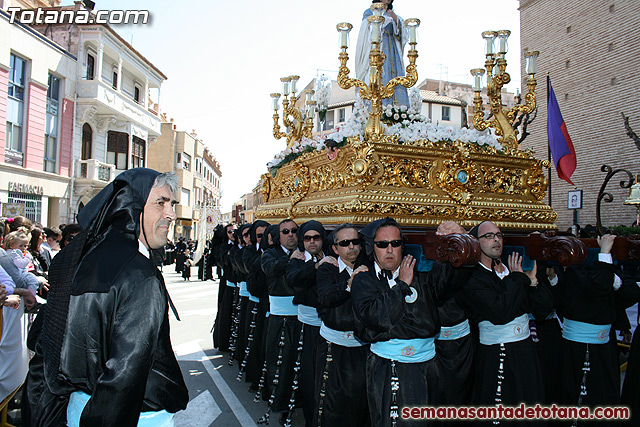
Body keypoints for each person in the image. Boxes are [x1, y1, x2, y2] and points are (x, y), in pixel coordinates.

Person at [26, 168, 188, 427]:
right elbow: (123, 377)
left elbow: (41, 349)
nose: (171, 214)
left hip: (75, 412)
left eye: (173, 204)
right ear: (130, 207)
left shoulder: (77, 259)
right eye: (160, 203)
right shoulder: (139, 275)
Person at [351, 217, 470, 427]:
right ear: (372, 247)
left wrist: (461, 239)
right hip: (389, 368)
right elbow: (376, 318)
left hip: (429, 367)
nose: (390, 249)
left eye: (395, 243)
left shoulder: (422, 274)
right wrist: (402, 285)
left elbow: (453, 279)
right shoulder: (364, 280)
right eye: (382, 244)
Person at [458, 221, 553, 426]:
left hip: (525, 350)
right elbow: (500, 312)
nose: (496, 240)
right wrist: (519, 280)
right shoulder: (471, 276)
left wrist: (535, 284)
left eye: (499, 235)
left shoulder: (513, 269)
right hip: (496, 353)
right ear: (476, 242)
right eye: (489, 236)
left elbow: (543, 310)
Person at [315, 223, 370, 427]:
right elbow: (326, 297)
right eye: (345, 243)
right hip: (334, 348)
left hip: (362, 348)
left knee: (361, 400)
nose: (352, 247)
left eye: (355, 242)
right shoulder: (328, 269)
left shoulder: (370, 267)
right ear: (336, 249)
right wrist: (349, 284)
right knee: (332, 402)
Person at [286, 220, 327, 426]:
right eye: (307, 238)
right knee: (309, 376)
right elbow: (295, 280)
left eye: (316, 237)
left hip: (330, 328)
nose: (312, 242)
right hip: (307, 327)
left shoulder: (333, 257)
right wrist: (316, 267)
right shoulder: (297, 259)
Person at [260, 219, 300, 424]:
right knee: (280, 362)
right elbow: (271, 269)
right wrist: (292, 259)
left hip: (302, 318)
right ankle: (280, 403)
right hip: (280, 317)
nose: (291, 234)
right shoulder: (270, 254)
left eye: (294, 230)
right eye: (286, 231)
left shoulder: (305, 252)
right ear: (279, 235)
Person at [355, 0, 409, 107]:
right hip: (377, 50)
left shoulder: (393, 14)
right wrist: (378, 22)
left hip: (393, 53)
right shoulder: (370, 12)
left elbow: (402, 34)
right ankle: (376, 110)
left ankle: (396, 112)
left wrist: (395, 20)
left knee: (396, 80)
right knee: (378, 78)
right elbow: (365, 30)